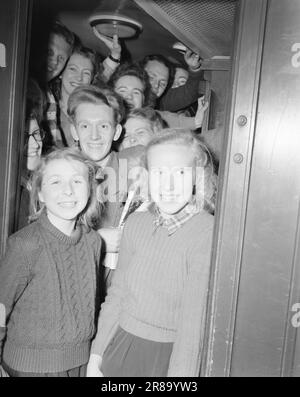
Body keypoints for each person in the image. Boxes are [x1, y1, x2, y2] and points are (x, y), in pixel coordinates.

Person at [86, 129, 216, 377]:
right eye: (159, 173)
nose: (168, 185)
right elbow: (118, 294)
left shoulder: (206, 231)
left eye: (179, 172)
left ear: (196, 176)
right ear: (146, 176)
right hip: (120, 346)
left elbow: (193, 321)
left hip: (167, 357)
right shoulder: (136, 222)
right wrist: (97, 355)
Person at [0, 148, 102, 376]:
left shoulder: (93, 241)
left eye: (77, 181)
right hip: (31, 367)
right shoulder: (25, 244)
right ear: (41, 194)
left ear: (89, 190)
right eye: (56, 182)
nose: (68, 191)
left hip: (80, 363)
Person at [67, 85, 144, 286]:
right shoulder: (60, 173)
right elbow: (47, 239)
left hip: (128, 286)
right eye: (85, 126)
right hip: (77, 285)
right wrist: (96, 240)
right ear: (74, 131)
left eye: (103, 126)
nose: (94, 136)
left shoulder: (137, 161)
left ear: (117, 131)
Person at [109, 62, 208, 131]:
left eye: (136, 92)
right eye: (122, 91)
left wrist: (196, 121)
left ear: (144, 99)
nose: (129, 97)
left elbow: (167, 119)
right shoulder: (99, 112)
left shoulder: (151, 118)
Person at [54, 45, 98, 147]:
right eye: (73, 69)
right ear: (61, 72)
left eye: (86, 73)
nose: (79, 78)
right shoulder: (47, 107)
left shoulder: (94, 112)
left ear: (91, 80)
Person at [18, 78, 47, 230]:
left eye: (36, 134)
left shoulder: (40, 183)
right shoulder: (13, 194)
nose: (35, 144)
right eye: (23, 136)